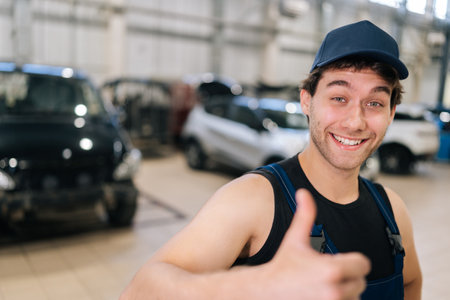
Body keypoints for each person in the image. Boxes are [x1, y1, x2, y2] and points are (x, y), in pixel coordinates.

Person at [120, 20, 422, 300]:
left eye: (374, 103)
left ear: (390, 114)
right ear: (307, 100)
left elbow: (410, 282)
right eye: (339, 98)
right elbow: (138, 291)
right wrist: (250, 287)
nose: (355, 121)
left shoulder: (392, 210)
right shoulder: (253, 199)